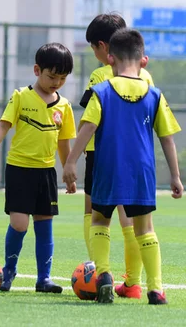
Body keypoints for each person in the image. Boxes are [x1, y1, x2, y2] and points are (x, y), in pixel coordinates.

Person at [62, 28, 182, 304]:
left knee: (99, 220)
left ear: (111, 60)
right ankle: (155, 289)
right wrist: (175, 176)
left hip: (107, 168)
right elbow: (167, 138)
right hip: (142, 171)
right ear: (144, 60)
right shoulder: (154, 95)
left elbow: (87, 127)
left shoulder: (101, 91)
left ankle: (103, 274)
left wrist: (70, 162)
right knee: (145, 228)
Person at [0, 43, 76, 293]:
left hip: (46, 173)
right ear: (37, 70)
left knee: (45, 225)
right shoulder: (21, 96)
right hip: (19, 169)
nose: (57, 82)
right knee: (20, 224)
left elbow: (63, 143)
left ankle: (44, 278)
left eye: (63, 78)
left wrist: (68, 171)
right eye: (52, 76)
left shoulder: (64, 106)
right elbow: (3, 125)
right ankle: (8, 271)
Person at [81, 13, 155, 299]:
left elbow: (90, 117)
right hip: (136, 156)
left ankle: (100, 274)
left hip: (101, 155)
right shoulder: (145, 74)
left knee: (95, 214)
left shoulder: (101, 74)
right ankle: (134, 283)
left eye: (93, 47)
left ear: (103, 47)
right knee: (132, 220)